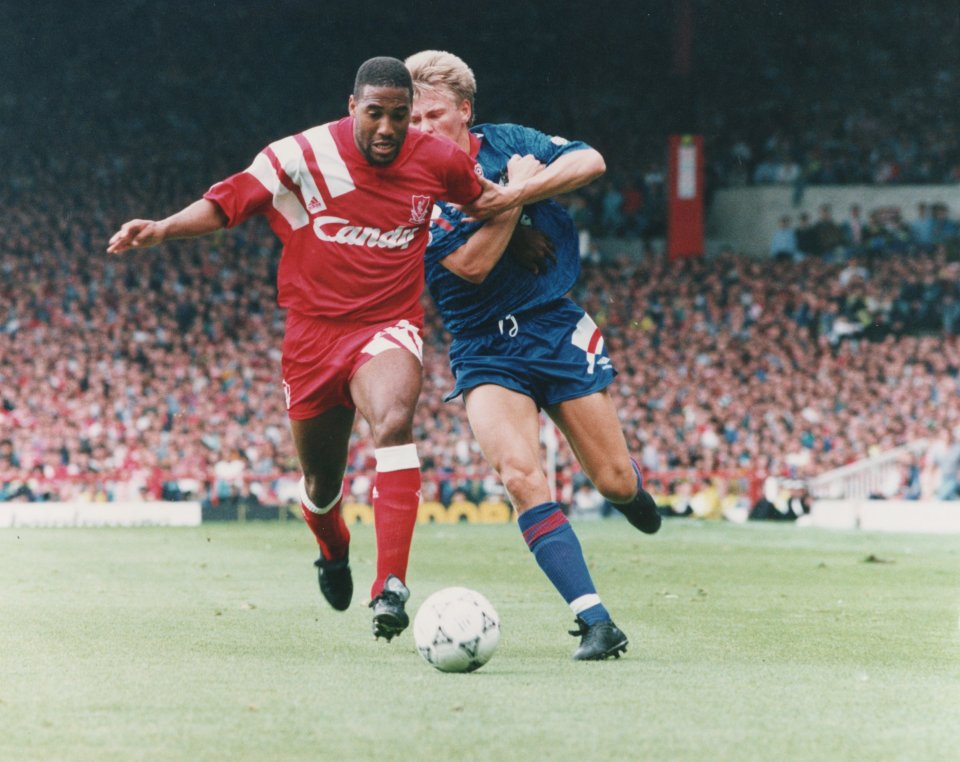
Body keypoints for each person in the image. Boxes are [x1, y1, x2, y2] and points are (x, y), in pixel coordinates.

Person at [107, 57, 524, 642]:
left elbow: (484, 200)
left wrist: (526, 211)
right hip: (312, 337)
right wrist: (163, 228)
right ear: (352, 107)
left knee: (395, 421)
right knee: (321, 486)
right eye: (375, 114)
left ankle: (391, 587)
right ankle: (333, 546)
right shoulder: (299, 156)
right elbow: (228, 203)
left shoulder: (437, 159)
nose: (387, 128)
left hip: (388, 325)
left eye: (399, 117)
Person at [405, 50, 661, 661]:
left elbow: (590, 160)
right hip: (483, 347)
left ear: (465, 112)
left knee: (614, 479)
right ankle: (596, 620)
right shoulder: (408, 186)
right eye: (411, 119)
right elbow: (468, 266)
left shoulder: (509, 141)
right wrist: (517, 200)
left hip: (553, 326)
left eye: (433, 115)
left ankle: (632, 498)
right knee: (520, 475)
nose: (420, 129)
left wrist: (512, 192)